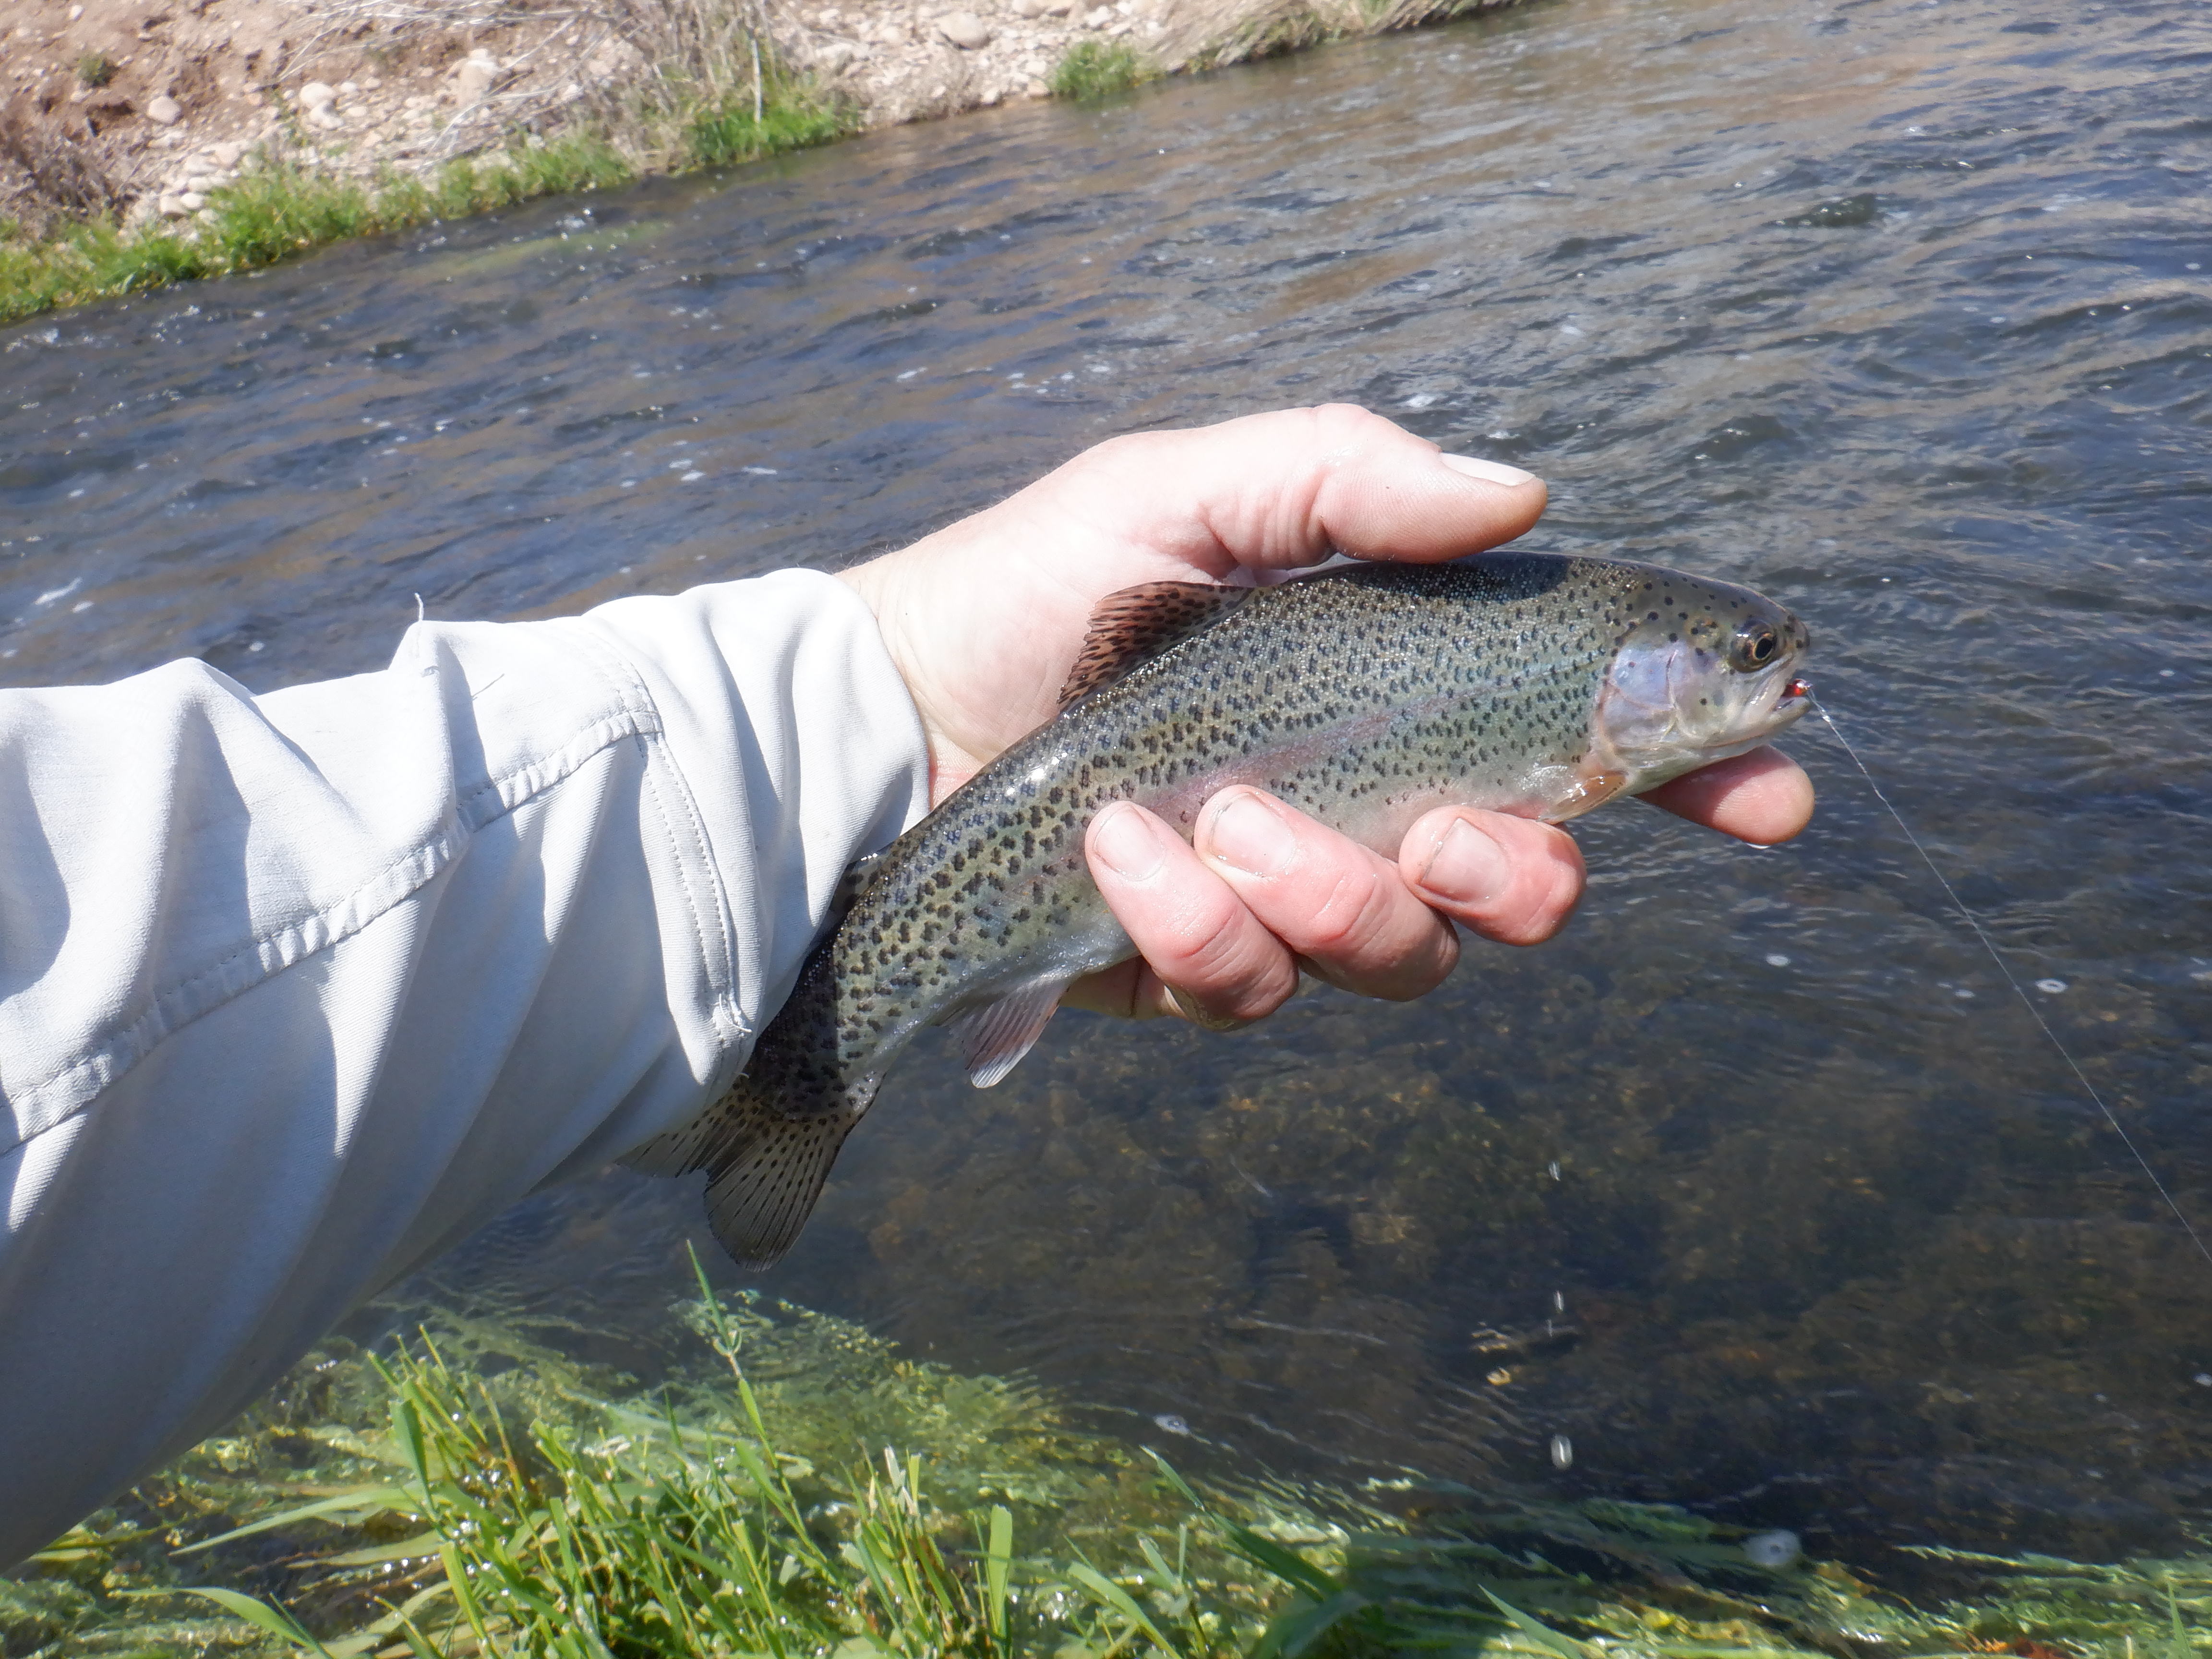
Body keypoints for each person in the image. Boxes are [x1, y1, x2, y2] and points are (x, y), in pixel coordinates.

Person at [0, 405, 1812, 1566]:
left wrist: (874, 705)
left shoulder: (1579, 659)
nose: (1764, 671)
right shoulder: (1585, 696)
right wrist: (874, 724)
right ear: (1647, 678)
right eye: (1738, 661)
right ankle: (806, 1081)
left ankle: (802, 1070)